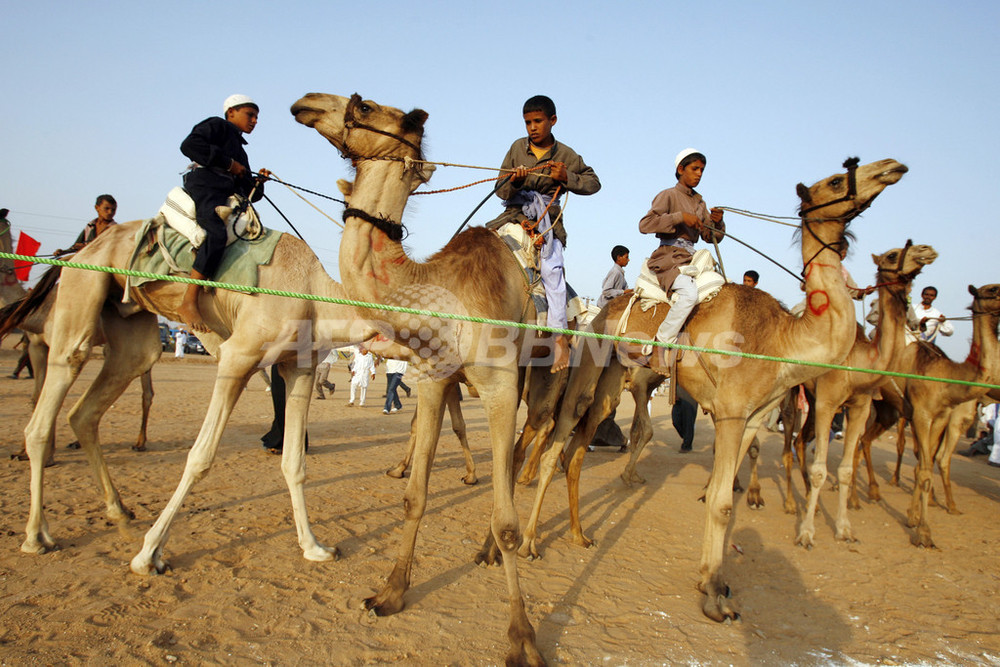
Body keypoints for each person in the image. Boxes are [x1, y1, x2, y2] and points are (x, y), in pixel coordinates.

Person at [490, 95, 601, 372]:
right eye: (528, 122)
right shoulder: (517, 147)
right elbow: (500, 191)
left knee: (553, 271)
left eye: (538, 121)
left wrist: (566, 177)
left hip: (546, 223)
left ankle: (560, 338)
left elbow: (593, 183)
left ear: (552, 120)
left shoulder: (566, 155)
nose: (532, 127)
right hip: (513, 215)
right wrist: (513, 181)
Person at [177, 94, 271, 332]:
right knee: (217, 234)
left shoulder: (241, 152)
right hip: (206, 187)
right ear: (231, 112)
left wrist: (259, 183)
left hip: (226, 196)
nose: (255, 121)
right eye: (250, 115)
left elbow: (250, 193)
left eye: (256, 117)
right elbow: (189, 146)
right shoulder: (216, 126)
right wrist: (229, 165)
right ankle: (189, 299)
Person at [638, 148, 725, 371]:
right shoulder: (668, 195)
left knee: (722, 288)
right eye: (694, 169)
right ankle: (659, 345)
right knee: (689, 293)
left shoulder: (700, 202)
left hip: (691, 260)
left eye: (702, 170)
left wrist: (716, 222)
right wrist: (679, 217)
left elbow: (711, 237)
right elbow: (645, 225)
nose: (699, 174)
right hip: (668, 258)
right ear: (680, 169)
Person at [672, 384, 698, 452]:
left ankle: (687, 446)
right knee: (675, 421)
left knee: (688, 422)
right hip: (678, 397)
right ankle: (687, 436)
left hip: (690, 396)